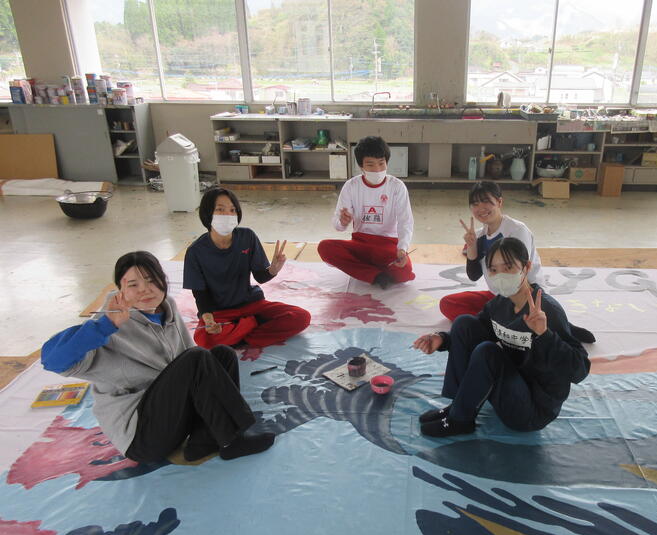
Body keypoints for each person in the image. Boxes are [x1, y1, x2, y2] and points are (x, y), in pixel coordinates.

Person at [41, 251, 274, 463]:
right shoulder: (109, 322)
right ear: (120, 290)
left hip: (172, 415)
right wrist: (105, 326)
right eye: (133, 284)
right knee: (198, 358)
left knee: (222, 355)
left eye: (151, 280)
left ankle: (203, 441)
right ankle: (232, 440)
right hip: (141, 435)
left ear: (163, 280)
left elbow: (188, 363)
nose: (144, 289)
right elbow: (53, 360)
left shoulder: (167, 307)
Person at [413, 237, 591, 437]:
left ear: (526, 267)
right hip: (510, 386)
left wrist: (545, 335)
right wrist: (442, 339)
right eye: (494, 270)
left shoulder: (547, 311)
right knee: (464, 323)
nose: (501, 276)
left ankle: (460, 420)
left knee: (487, 352)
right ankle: (459, 405)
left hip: (532, 410)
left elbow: (580, 370)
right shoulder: (500, 304)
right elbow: (474, 330)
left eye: (508, 267)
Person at [183, 187, 310, 349]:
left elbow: (260, 276)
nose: (228, 215)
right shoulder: (195, 251)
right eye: (220, 209)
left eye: (232, 210)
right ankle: (251, 328)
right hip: (220, 312)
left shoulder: (247, 236)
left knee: (301, 317)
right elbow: (200, 294)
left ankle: (241, 332)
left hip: (251, 305)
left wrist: (273, 270)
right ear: (207, 214)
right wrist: (208, 320)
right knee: (204, 339)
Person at [318, 136, 414, 289]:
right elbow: (337, 224)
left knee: (405, 271)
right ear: (361, 166)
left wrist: (402, 249)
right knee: (325, 247)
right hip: (360, 244)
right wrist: (342, 222)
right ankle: (376, 275)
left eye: (381, 163)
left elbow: (405, 221)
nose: (377, 169)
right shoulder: (351, 186)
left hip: (387, 245)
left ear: (387, 162)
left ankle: (364, 269)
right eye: (370, 164)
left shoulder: (397, 186)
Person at [439, 180, 543, 321]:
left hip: (524, 297)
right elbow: (473, 276)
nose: (481, 208)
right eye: (475, 204)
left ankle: (495, 322)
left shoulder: (517, 230)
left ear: (499, 202)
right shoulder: (480, 235)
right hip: (498, 296)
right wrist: (472, 247)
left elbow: (520, 275)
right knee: (448, 304)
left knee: (518, 317)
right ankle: (496, 322)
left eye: (486, 201)